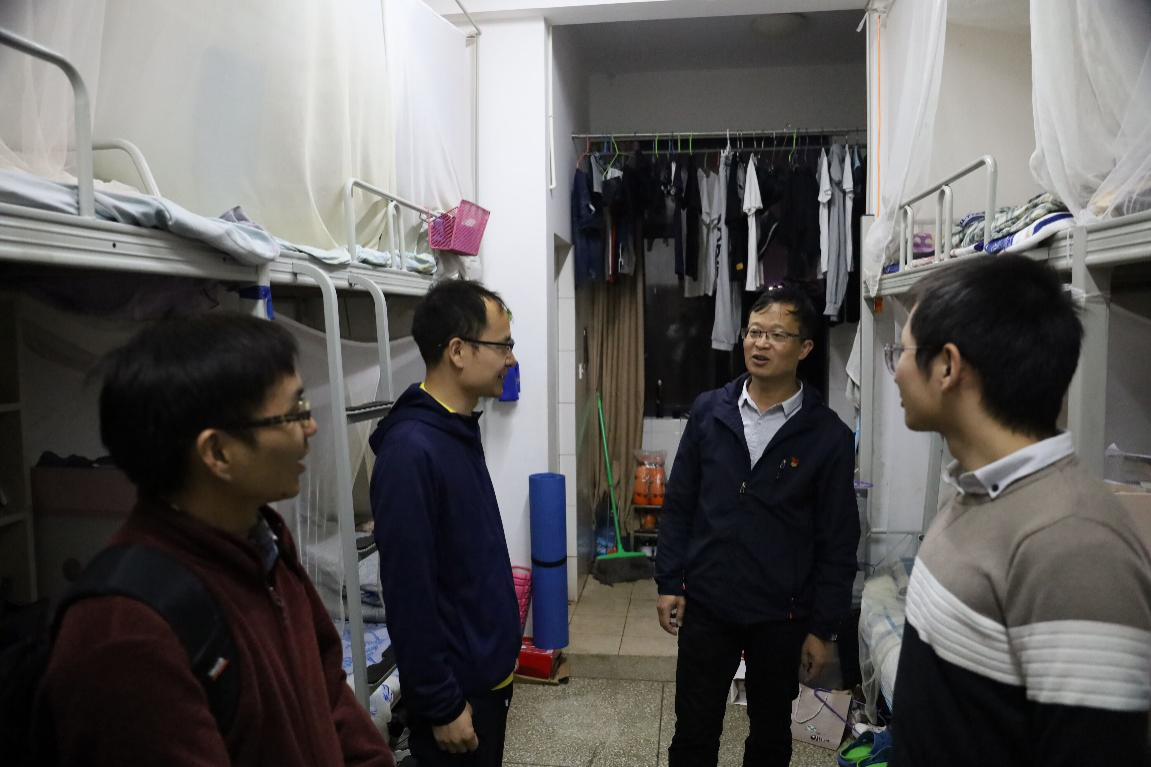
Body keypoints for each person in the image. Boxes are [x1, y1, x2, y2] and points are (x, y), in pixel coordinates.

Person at [32, 313, 394, 766]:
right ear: (218, 452)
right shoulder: (124, 631)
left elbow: (329, 696)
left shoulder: (266, 545)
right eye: (294, 411)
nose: (311, 426)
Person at [888, 255, 1151, 765]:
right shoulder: (975, 491)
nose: (896, 372)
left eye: (901, 352)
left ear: (948, 366)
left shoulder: (1074, 543)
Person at [656, 284, 860, 767]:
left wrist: (822, 628)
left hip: (781, 615)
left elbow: (837, 540)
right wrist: (669, 581)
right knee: (693, 732)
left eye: (776, 335)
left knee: (770, 736)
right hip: (709, 602)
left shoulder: (827, 435)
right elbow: (680, 503)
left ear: (804, 348)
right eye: (753, 332)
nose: (760, 343)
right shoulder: (710, 411)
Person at [369, 279, 521, 767]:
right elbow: (408, 591)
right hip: (458, 695)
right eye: (503, 346)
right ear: (458, 351)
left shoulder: (455, 428)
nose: (510, 359)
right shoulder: (411, 451)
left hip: (485, 676)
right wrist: (441, 703)